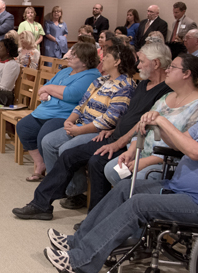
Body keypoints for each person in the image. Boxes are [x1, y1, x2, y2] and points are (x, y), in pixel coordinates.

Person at [43, 71, 198, 273]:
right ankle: (77, 242)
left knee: (139, 204)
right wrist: (157, 125)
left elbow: (196, 152)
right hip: (180, 188)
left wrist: (163, 120)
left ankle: (81, 262)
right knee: (125, 188)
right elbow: (177, 144)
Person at [12, 42, 172, 219]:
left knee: (94, 161)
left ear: (156, 63)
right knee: (67, 154)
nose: (138, 65)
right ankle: (41, 204)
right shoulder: (143, 85)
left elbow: (141, 122)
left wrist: (118, 137)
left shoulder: (160, 91)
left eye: (142, 61)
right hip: (113, 135)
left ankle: (93, 218)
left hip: (129, 142)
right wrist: (111, 130)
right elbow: (125, 116)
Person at [37, 44, 138, 208]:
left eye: (107, 56)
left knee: (65, 149)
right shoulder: (101, 80)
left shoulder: (125, 86)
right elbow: (82, 104)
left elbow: (110, 119)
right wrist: (69, 120)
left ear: (117, 61)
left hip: (97, 130)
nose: (103, 58)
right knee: (48, 142)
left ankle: (76, 192)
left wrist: (79, 130)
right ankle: (64, 187)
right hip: (81, 123)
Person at [104, 54, 198, 186]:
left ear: (186, 73)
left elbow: (187, 147)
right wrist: (132, 151)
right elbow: (143, 126)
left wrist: (148, 161)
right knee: (111, 170)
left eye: (172, 67)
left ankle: (133, 203)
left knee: (138, 179)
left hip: (168, 161)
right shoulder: (166, 97)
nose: (167, 70)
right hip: (142, 153)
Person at [17, 43, 101, 181]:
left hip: (65, 115)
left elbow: (71, 94)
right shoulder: (65, 71)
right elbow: (45, 86)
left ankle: (54, 177)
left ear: (85, 61)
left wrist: (49, 90)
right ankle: (41, 163)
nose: (69, 56)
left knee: (44, 135)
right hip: (46, 110)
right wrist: (48, 90)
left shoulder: (90, 75)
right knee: (24, 127)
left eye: (74, 56)